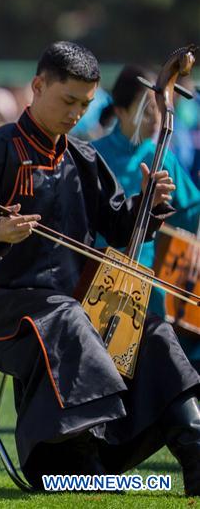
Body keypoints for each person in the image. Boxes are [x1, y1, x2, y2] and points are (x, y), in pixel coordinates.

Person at [0, 41, 200, 493]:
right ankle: (78, 458)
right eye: (67, 100)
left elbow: (119, 227)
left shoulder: (84, 157)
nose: (76, 113)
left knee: (151, 332)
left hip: (61, 307)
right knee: (66, 316)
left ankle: (194, 452)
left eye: (85, 103)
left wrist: (148, 207)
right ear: (37, 87)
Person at [92, 65, 200, 369]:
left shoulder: (161, 155)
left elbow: (192, 214)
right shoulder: (91, 155)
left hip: (155, 279)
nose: (157, 119)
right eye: (148, 109)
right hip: (100, 276)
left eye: (162, 109)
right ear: (120, 111)